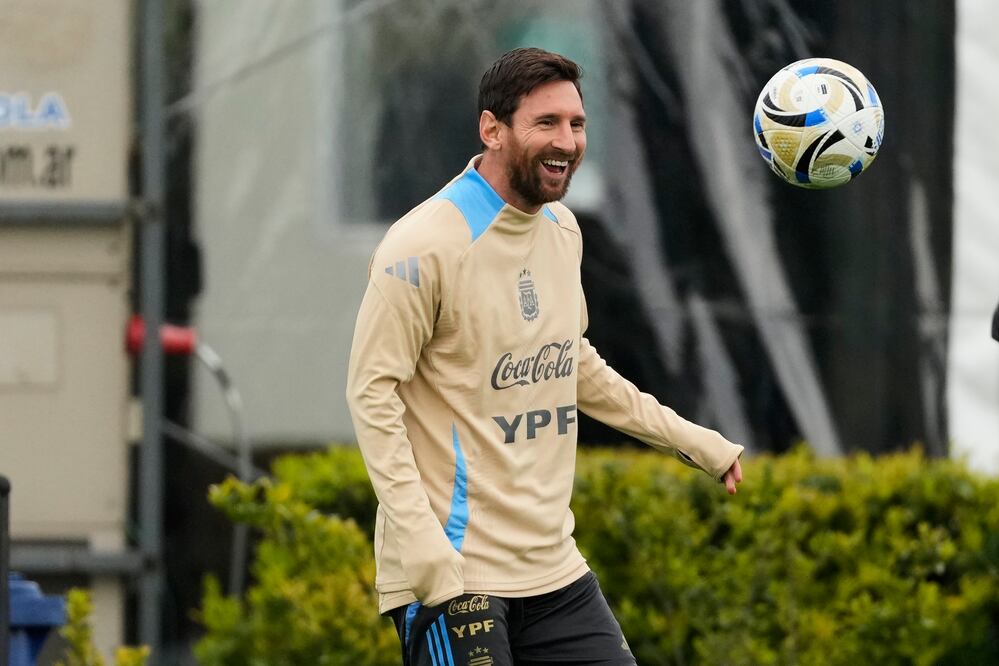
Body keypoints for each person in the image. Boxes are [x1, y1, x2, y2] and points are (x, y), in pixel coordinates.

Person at [346, 47, 744, 666]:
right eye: (546, 123)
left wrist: (692, 440)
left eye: (577, 124)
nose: (567, 141)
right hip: (456, 574)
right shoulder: (423, 244)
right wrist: (421, 544)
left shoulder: (562, 231)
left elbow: (571, 363)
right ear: (492, 129)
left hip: (554, 569)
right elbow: (372, 395)